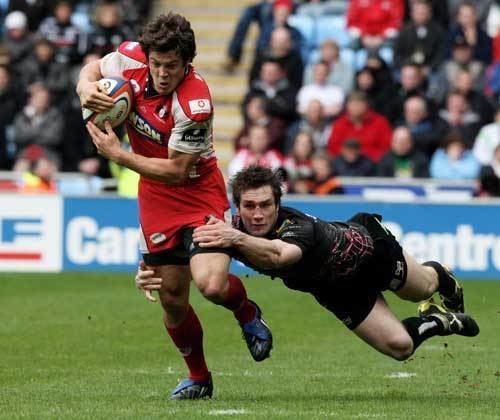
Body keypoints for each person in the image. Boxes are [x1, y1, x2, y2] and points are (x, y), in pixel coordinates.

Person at [77, 12, 273, 401]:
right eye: (157, 64)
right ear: (146, 56)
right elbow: (93, 66)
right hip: (156, 197)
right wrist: (85, 86)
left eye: (172, 66)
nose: (163, 73)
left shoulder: (195, 101)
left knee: (212, 284)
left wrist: (120, 155)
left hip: (197, 190)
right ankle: (199, 376)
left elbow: (179, 171)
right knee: (170, 297)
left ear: (187, 64)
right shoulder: (131, 58)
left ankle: (246, 311)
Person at [185, 166, 478, 362]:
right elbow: (186, 250)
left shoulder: (296, 226)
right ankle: (439, 320)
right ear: (237, 206)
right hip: (334, 290)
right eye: (249, 206)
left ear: (278, 204)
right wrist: (152, 270)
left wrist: (235, 238)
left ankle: (443, 276)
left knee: (421, 287)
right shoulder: (231, 231)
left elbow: (278, 256)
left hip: (371, 254)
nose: (258, 214)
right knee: (400, 348)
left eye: (265, 205)